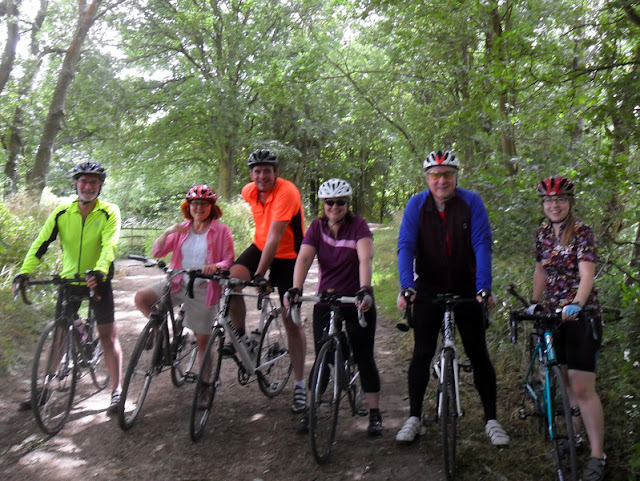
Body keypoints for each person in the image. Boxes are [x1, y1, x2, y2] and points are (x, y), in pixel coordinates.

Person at [396, 149, 509, 446]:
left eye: (447, 174)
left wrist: (484, 287)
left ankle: (492, 421)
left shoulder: (471, 202)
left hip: (467, 287)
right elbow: (406, 246)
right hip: (428, 288)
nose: (441, 180)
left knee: (477, 353)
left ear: (456, 176)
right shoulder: (416, 205)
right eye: (434, 175)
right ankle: (414, 418)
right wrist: (407, 286)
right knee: (421, 353)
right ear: (427, 178)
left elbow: (482, 244)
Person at [12, 161, 124, 414]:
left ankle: (116, 391)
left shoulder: (109, 211)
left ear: (100, 186)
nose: (88, 186)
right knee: (60, 334)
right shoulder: (62, 213)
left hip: (98, 279)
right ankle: (45, 388)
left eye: (94, 182)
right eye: (83, 181)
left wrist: (100, 270)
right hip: (69, 280)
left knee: (108, 336)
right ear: (75, 184)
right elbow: (40, 244)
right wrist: (24, 271)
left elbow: (110, 244)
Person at [285, 178, 382, 437]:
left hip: (356, 300)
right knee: (323, 358)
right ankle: (311, 409)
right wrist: (296, 288)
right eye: (329, 202)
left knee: (364, 357)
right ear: (323, 204)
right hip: (326, 301)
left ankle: (374, 413)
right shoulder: (317, 227)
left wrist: (365, 289)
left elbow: (365, 257)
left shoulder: (358, 225)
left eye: (340, 202)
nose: (334, 206)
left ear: (347, 204)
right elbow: (304, 257)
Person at [526, 176, 606, 480]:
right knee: (566, 383)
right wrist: (535, 302)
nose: (554, 205)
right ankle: (576, 438)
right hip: (552, 318)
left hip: (580, 317)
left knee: (583, 387)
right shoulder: (542, 233)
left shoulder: (583, 232)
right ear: (543, 205)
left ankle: (598, 455)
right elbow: (540, 270)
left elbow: (587, 275)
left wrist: (577, 303)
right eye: (548, 201)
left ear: (569, 202)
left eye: (560, 200)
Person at [133, 185, 234, 407]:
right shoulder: (182, 229)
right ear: (189, 207)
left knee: (202, 340)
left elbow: (228, 260)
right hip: (177, 281)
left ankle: (205, 384)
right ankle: (162, 335)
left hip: (203, 288)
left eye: (204, 204)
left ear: (211, 207)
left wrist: (215, 266)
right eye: (195, 204)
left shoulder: (221, 231)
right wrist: (169, 231)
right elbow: (157, 252)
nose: (199, 208)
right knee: (142, 298)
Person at [226, 148, 307, 413]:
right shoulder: (249, 191)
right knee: (233, 282)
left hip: (289, 255)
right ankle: (241, 337)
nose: (262, 176)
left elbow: (275, 236)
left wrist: (261, 275)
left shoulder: (287, 192)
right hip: (260, 246)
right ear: (251, 174)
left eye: (267, 171)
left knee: (290, 319)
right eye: (257, 171)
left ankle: (299, 385)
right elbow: (264, 238)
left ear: (276, 173)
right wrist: (256, 272)